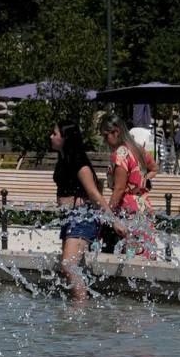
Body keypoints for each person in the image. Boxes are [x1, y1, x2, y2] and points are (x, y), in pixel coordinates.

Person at [50, 123, 122, 301]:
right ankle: (80, 306)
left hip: (82, 218)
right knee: (71, 267)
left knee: (68, 266)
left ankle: (82, 309)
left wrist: (113, 221)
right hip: (69, 218)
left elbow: (94, 193)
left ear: (66, 138)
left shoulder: (79, 163)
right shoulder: (64, 158)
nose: (51, 136)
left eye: (55, 133)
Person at [101, 115, 155, 258]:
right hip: (143, 205)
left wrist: (107, 215)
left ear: (116, 132)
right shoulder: (138, 149)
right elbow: (154, 168)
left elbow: (119, 189)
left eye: (105, 136)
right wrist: (142, 182)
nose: (104, 140)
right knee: (144, 256)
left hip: (128, 209)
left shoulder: (120, 153)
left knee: (129, 259)